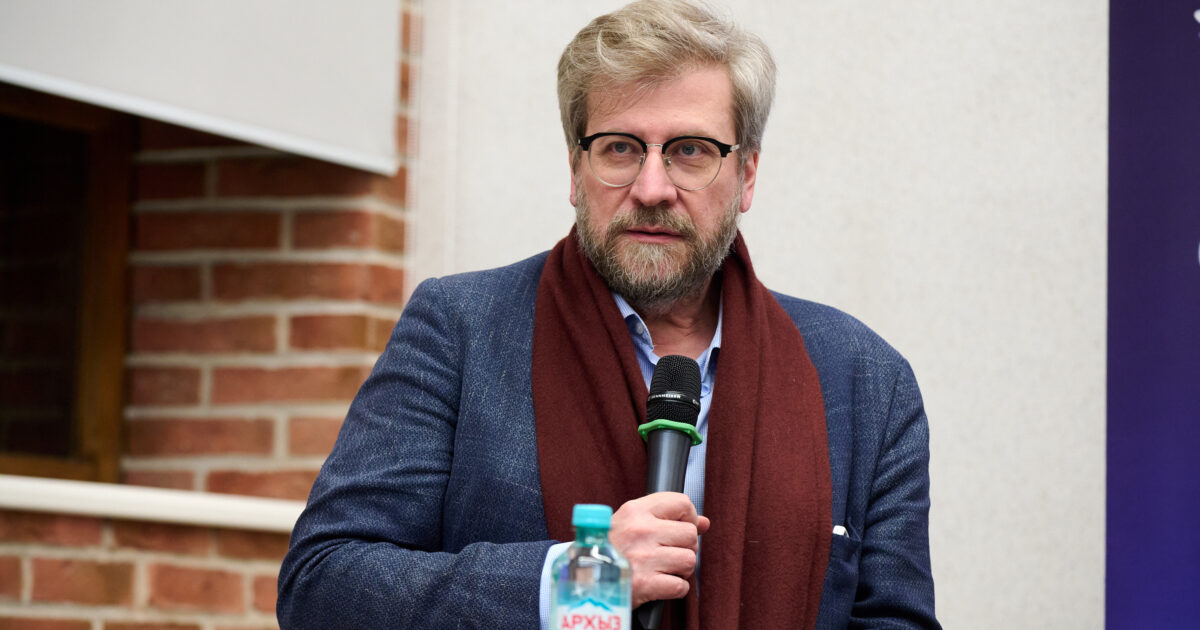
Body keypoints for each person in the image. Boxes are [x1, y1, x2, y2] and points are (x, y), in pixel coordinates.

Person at [277, 1, 940, 628]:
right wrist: (578, 577)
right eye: (620, 148)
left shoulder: (866, 382)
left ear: (747, 176)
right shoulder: (460, 331)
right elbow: (322, 585)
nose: (652, 188)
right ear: (576, 169)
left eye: (690, 150)